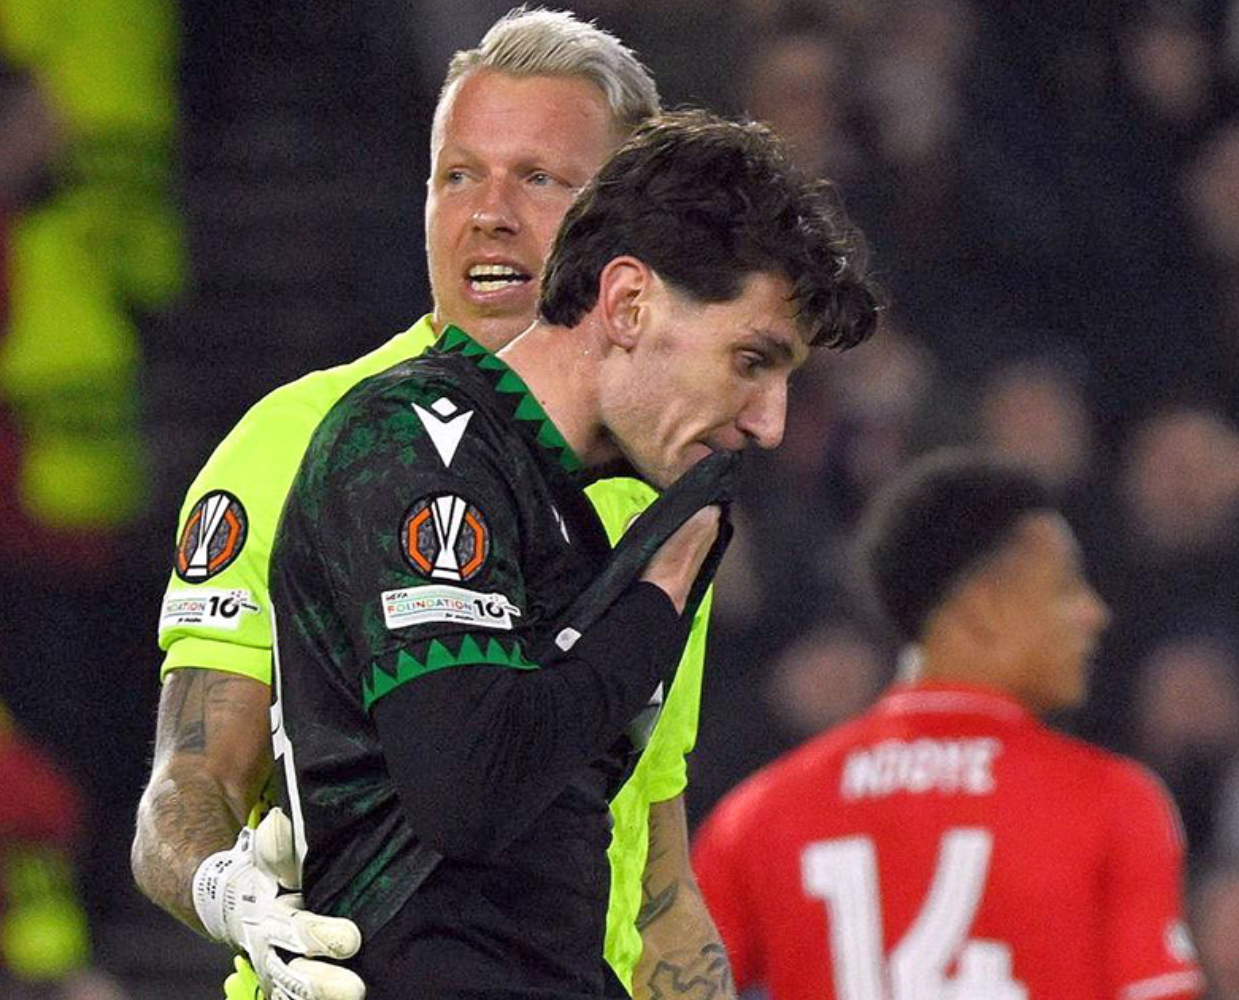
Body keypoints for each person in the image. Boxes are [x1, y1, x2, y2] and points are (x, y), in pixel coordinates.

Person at [129, 10, 736, 999]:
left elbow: (655, 870)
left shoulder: (654, 488)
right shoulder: (296, 441)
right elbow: (190, 779)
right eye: (458, 175)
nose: (488, 212)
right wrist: (222, 890)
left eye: (539, 179)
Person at [268, 109, 878, 998]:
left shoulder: (572, 518)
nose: (769, 423)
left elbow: (535, 881)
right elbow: (469, 792)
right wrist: (657, 597)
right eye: (752, 361)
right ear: (627, 302)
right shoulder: (417, 442)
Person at [691, 451, 1204, 1000]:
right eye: (1066, 587)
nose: (1093, 613)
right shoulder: (1113, 803)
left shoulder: (756, 817)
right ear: (985, 607)